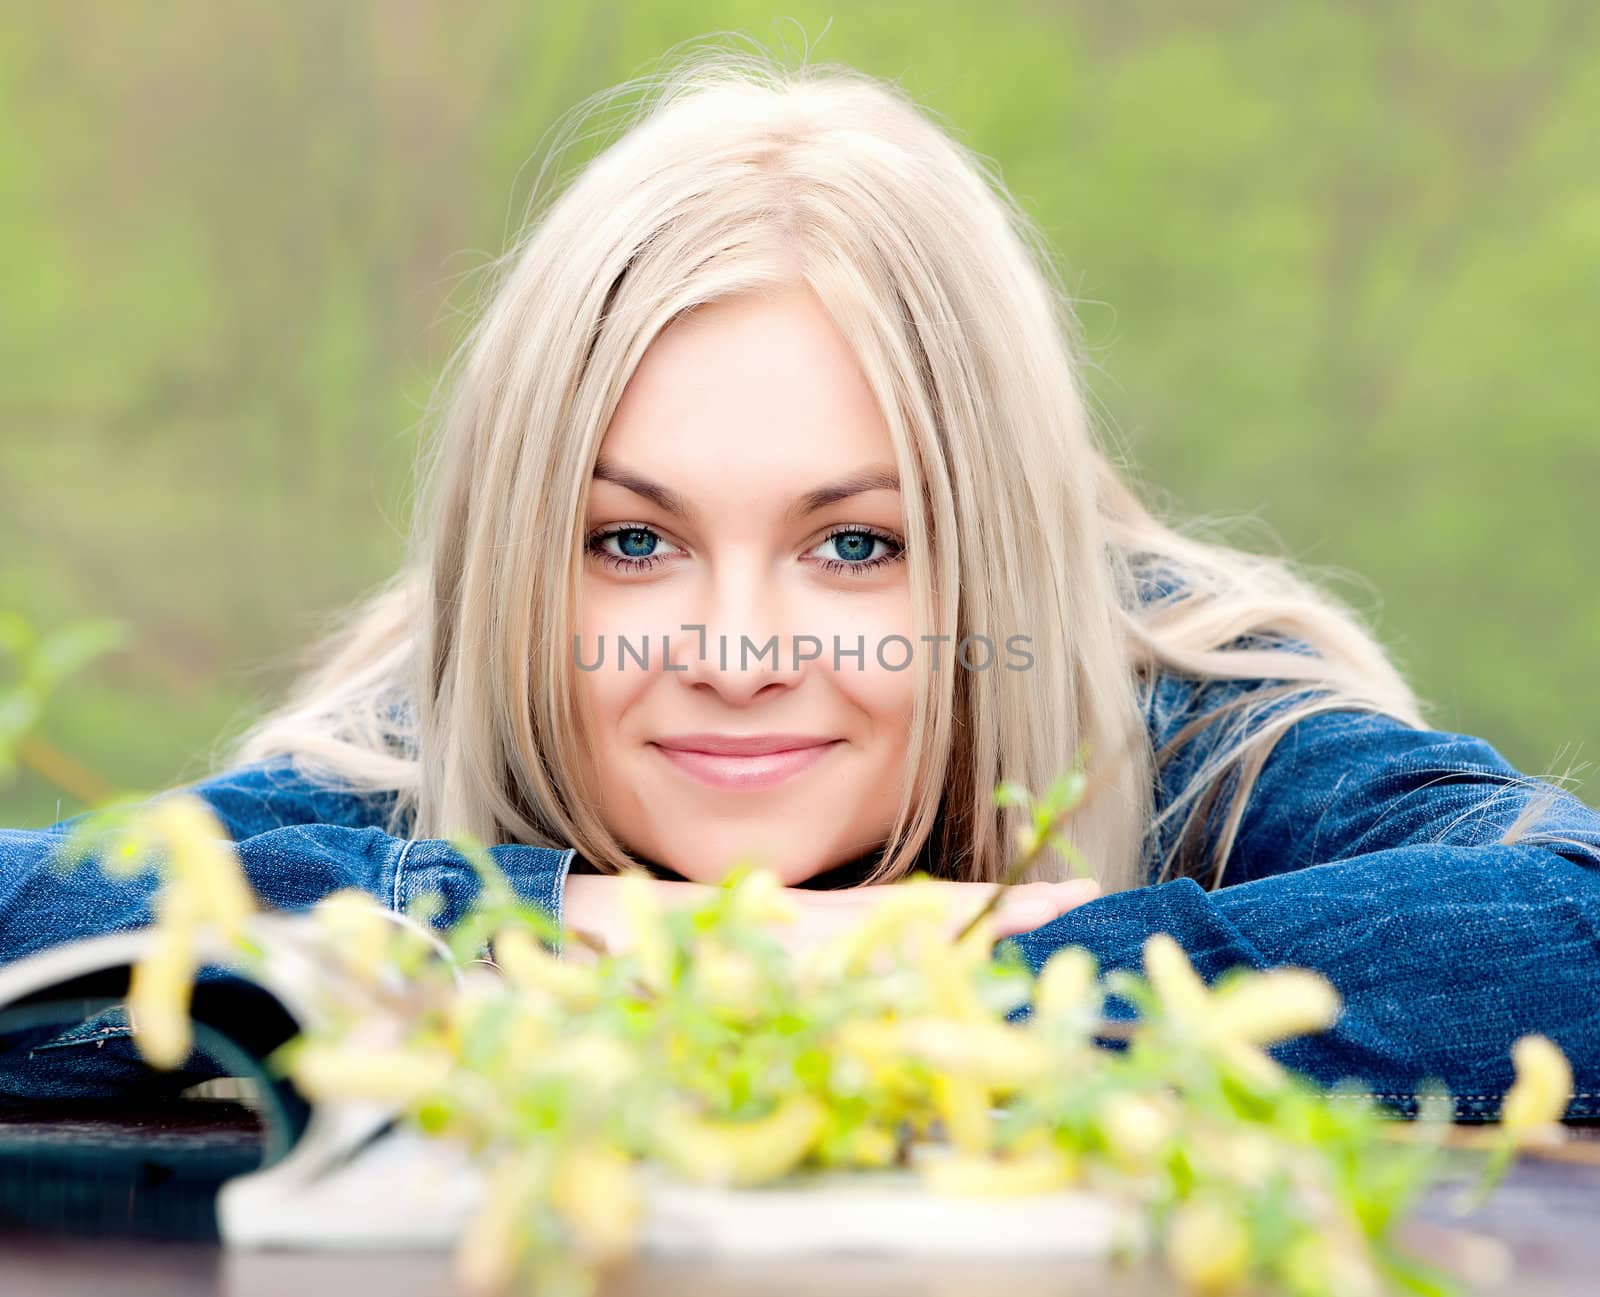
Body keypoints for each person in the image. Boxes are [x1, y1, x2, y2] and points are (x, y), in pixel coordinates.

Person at [3, 48, 1597, 1119]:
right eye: (631, 541)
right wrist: (561, 934)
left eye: (857, 544)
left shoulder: (1187, 721)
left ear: (994, 548)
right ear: (516, 566)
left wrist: (965, 971)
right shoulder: (414, 756)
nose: (741, 649)